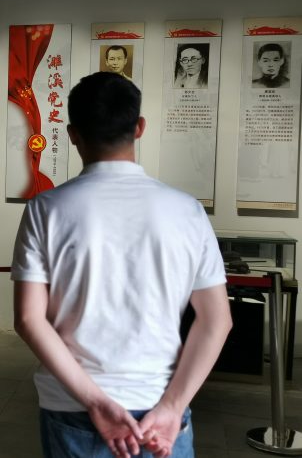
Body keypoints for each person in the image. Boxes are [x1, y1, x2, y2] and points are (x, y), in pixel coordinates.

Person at [12, 72, 232, 458]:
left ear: (73, 134)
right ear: (139, 127)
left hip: (73, 406)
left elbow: (29, 320)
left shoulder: (45, 210)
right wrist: (173, 407)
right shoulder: (187, 211)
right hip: (160, 409)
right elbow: (217, 321)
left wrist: (96, 402)